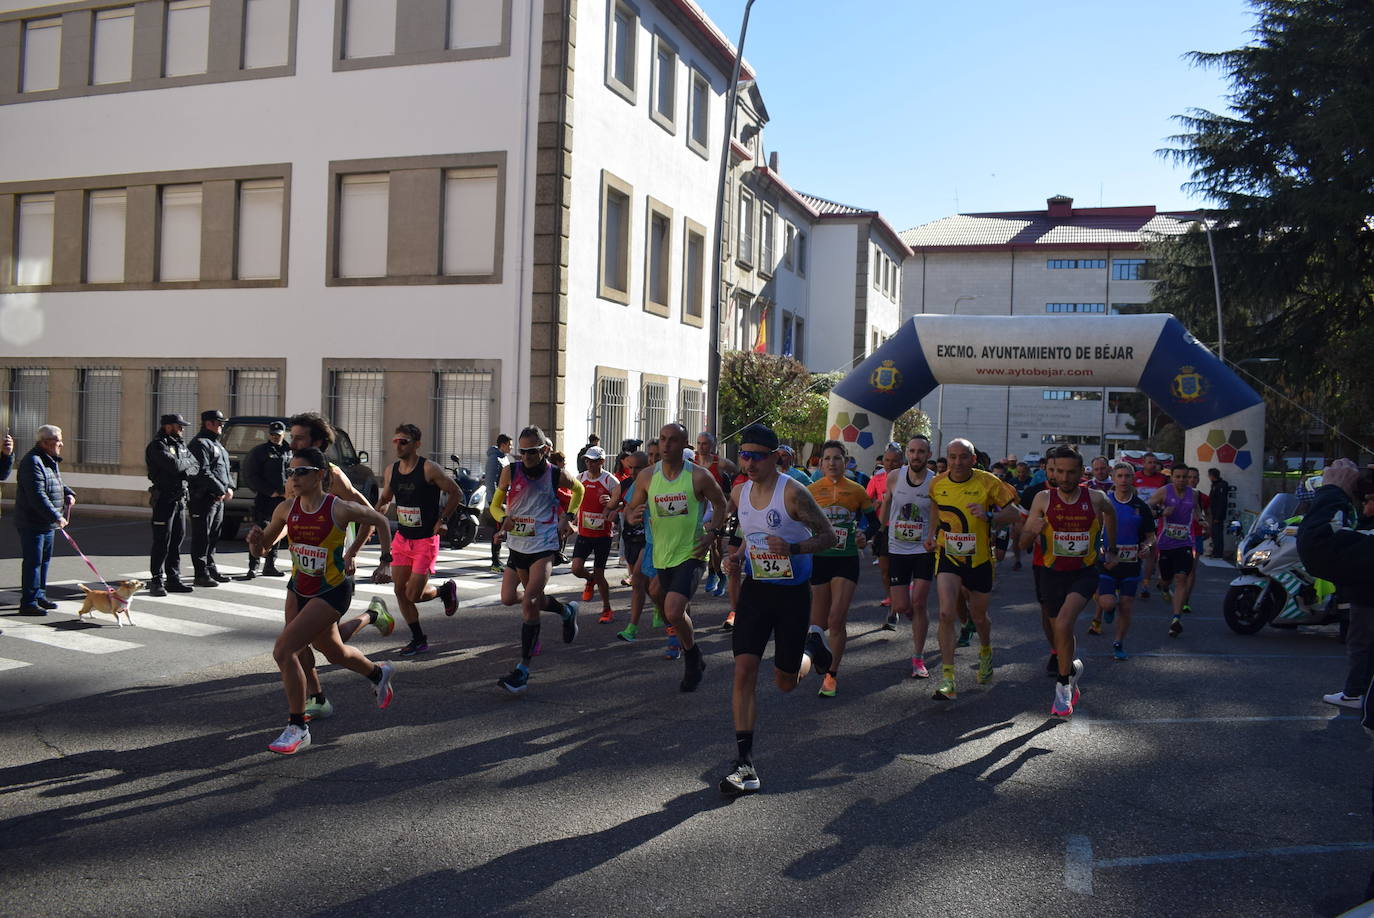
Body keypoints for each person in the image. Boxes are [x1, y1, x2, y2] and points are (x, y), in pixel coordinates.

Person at [248, 448, 397, 756]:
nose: (293, 478)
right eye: (290, 472)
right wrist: (255, 544)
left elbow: (380, 519)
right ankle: (377, 673)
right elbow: (263, 550)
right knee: (332, 651)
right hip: (299, 587)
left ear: (319, 474)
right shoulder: (286, 509)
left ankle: (298, 726)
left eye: (300, 472)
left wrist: (385, 561)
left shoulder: (338, 508)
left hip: (331, 589)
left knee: (284, 649)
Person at [719, 423, 836, 795]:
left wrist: (793, 549)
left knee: (784, 683)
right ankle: (745, 763)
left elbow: (829, 536)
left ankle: (813, 648)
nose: (748, 463)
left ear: (775, 458)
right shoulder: (740, 491)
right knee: (743, 670)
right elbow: (747, 536)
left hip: (791, 595)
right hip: (756, 592)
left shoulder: (794, 494)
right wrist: (735, 558)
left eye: (756, 456)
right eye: (744, 455)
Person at [625, 423, 729, 691]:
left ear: (684, 445)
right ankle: (693, 651)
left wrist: (713, 533)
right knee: (661, 599)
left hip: (691, 553)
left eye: (672, 440)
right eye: (662, 439)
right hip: (661, 554)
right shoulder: (648, 476)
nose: (666, 445)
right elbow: (631, 506)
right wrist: (631, 514)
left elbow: (721, 504)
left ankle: (691, 658)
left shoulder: (699, 476)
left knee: (673, 610)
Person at [1020, 445, 1117, 716]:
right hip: (1052, 572)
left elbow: (1111, 513)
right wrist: (1033, 530)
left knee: (1064, 623)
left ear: (1081, 472)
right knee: (1060, 630)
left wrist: (1110, 546)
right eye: (1059, 471)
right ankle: (1072, 669)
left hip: (1084, 572)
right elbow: (1023, 541)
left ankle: (1063, 687)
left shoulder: (1095, 498)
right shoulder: (1042, 499)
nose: (1064, 478)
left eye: (1070, 472)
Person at [925, 438, 1022, 700]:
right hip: (948, 555)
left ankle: (986, 651)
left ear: (973, 459)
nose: (958, 462)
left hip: (979, 559)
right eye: (953, 457)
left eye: (964, 457)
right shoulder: (937, 483)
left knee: (979, 617)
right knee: (946, 613)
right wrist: (932, 534)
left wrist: (989, 516)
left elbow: (1015, 514)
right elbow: (936, 509)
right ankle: (948, 679)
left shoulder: (988, 481)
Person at [489, 426, 584, 693]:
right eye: (522, 452)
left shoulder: (556, 474)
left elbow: (579, 491)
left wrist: (569, 516)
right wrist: (501, 519)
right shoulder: (511, 471)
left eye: (531, 452)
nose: (526, 457)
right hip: (517, 546)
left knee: (530, 602)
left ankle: (522, 670)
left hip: (543, 546)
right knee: (510, 598)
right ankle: (566, 611)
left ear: (543, 450)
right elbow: (495, 505)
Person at [368, 424, 462, 657]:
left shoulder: (429, 468)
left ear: (416, 444)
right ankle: (418, 639)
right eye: (395, 441)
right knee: (400, 590)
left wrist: (443, 518)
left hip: (425, 541)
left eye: (404, 441)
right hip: (402, 539)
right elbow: (386, 498)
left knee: (412, 594)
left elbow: (456, 492)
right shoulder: (392, 470)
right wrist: (372, 517)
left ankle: (443, 591)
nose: (398, 445)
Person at [1297, 460, 1374, 711]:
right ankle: (1357, 692)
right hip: (1362, 594)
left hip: (1364, 598)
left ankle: (1354, 693)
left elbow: (1318, 548)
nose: (1366, 504)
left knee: (1360, 643)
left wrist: (1333, 491)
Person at [807, 440, 878, 697]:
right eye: (827, 458)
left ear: (846, 462)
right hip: (820, 559)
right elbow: (799, 522)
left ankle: (831, 675)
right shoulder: (811, 490)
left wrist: (864, 535)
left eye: (837, 458)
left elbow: (874, 523)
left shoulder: (857, 490)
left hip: (846, 558)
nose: (833, 463)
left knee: (836, 619)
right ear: (821, 463)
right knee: (818, 623)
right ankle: (823, 655)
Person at [878, 436, 937, 678]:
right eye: (912, 451)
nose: (916, 456)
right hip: (898, 547)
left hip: (923, 548)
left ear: (928, 454)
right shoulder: (894, 477)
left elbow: (936, 512)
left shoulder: (935, 482)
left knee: (920, 602)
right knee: (901, 606)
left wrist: (932, 535)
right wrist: (881, 529)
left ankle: (918, 658)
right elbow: (886, 504)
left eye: (921, 452)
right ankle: (913, 614)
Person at [1087, 462, 1155, 660]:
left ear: (1133, 479)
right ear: (1113, 478)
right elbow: (1095, 533)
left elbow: (1151, 536)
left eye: (1127, 476)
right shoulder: (1104, 503)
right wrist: (1101, 551)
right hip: (1106, 561)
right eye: (1120, 476)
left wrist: (1147, 547)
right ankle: (1107, 609)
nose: (1124, 480)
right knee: (1108, 603)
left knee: (1126, 606)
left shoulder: (1140, 506)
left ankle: (1118, 643)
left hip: (1131, 563)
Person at [13, 425, 75, 615]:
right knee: (33, 562)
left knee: (44, 560)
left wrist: (68, 493)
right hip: (32, 522)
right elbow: (37, 494)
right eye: (58, 440)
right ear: (46, 442)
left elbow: (55, 481)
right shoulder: (32, 462)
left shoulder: (48, 460)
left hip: (46, 523)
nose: (61, 443)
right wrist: (56, 516)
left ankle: (39, 595)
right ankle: (28, 602)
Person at [1147, 463, 1205, 637]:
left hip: (1185, 542)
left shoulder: (1193, 494)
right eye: (1178, 476)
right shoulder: (1164, 491)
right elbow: (1148, 507)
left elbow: (1196, 510)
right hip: (1165, 543)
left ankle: (1176, 619)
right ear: (1172, 477)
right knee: (1166, 579)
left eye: (1185, 477)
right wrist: (1162, 512)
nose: (1181, 480)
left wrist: (1201, 520)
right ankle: (1163, 587)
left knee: (1181, 578)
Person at [144, 414, 197, 596]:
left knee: (177, 540)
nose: (182, 429)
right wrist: (185, 464)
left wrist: (184, 464)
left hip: (180, 499)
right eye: (179, 426)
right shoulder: (158, 446)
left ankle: (173, 579)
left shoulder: (180, 445)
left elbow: (195, 465)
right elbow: (173, 466)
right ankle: (156, 581)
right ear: (168, 427)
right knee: (162, 542)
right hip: (164, 500)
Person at [187, 409, 233, 588]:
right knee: (202, 537)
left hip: (217, 498)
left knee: (213, 536)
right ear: (208, 424)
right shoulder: (200, 443)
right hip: (203, 498)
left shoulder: (216, 444)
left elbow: (224, 469)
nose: (222, 425)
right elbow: (202, 472)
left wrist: (228, 487)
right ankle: (201, 573)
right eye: (219, 422)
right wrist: (221, 489)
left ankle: (210, 568)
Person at [572, 445, 619, 623]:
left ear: (602, 461)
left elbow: (619, 504)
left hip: (602, 536)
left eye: (593, 461)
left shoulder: (610, 481)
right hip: (584, 533)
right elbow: (574, 501)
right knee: (576, 568)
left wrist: (610, 502)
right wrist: (573, 518)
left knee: (601, 575)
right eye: (587, 460)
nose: (589, 464)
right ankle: (589, 579)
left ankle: (607, 609)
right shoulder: (580, 478)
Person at [609, 451, 651, 641]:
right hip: (630, 538)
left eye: (638, 468)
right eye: (630, 467)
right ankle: (658, 607)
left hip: (648, 539)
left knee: (637, 579)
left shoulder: (654, 482)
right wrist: (609, 508)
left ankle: (632, 627)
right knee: (641, 585)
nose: (633, 472)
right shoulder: (625, 485)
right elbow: (617, 506)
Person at [242, 420, 289, 579]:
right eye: (273, 434)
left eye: (278, 435)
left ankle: (270, 566)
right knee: (260, 531)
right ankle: (253, 566)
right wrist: (271, 492)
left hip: (283, 500)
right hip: (266, 499)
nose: (275, 437)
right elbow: (251, 476)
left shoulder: (289, 451)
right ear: (269, 435)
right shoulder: (260, 451)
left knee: (277, 531)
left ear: (284, 434)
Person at [868, 445, 901, 618]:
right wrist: (876, 505)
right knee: (885, 568)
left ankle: (901, 595)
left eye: (894, 460)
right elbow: (866, 502)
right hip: (884, 527)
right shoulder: (877, 478)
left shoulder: (909, 478)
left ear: (902, 461)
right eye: (887, 460)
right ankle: (891, 597)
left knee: (901, 567)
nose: (890, 464)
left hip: (904, 528)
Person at [1134, 453, 1169, 597]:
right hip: (1136, 519)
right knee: (1134, 551)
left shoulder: (1162, 479)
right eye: (1149, 462)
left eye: (1155, 462)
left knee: (1151, 552)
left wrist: (1158, 512)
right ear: (1143, 462)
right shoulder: (1134, 476)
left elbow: (1166, 500)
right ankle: (1129, 580)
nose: (1152, 465)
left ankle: (1145, 584)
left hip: (1154, 520)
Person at [483, 434, 512, 572]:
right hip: (496, 501)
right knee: (498, 530)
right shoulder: (494, 459)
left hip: (504, 499)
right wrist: (496, 502)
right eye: (509, 444)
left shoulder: (504, 458)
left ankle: (498, 560)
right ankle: (495, 562)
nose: (511, 447)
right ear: (503, 444)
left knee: (501, 529)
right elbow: (490, 481)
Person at [1208, 467, 1231, 559]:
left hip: (1217, 514)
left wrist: (1217, 516)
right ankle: (1215, 551)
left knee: (1218, 534)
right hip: (1213, 513)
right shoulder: (1214, 485)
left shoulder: (1221, 485)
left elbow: (1221, 502)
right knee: (1214, 534)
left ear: (1212, 476)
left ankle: (1218, 552)